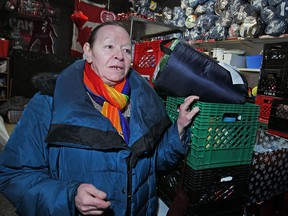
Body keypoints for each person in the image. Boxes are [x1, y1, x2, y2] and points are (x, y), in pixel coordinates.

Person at [0, 21, 199, 216]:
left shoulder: (144, 104)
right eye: (109, 46)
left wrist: (178, 129)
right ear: (88, 52)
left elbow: (151, 166)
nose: (119, 56)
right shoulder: (51, 105)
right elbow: (15, 174)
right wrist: (70, 197)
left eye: (127, 50)